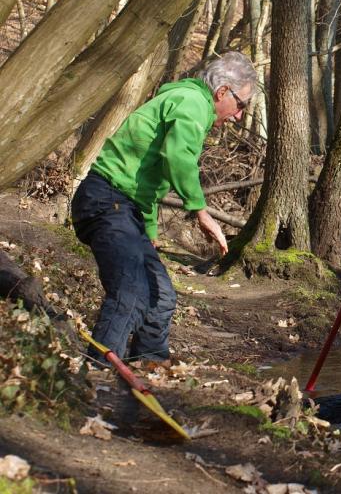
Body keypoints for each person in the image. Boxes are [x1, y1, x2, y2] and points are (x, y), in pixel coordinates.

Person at [71, 51, 258, 368]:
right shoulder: (191, 102)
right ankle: (98, 375)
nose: (239, 115)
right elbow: (177, 158)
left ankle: (150, 367)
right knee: (131, 290)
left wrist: (150, 231)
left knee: (161, 296)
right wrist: (200, 211)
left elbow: (150, 175)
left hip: (126, 207)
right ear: (222, 91)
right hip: (105, 200)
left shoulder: (187, 103)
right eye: (241, 105)